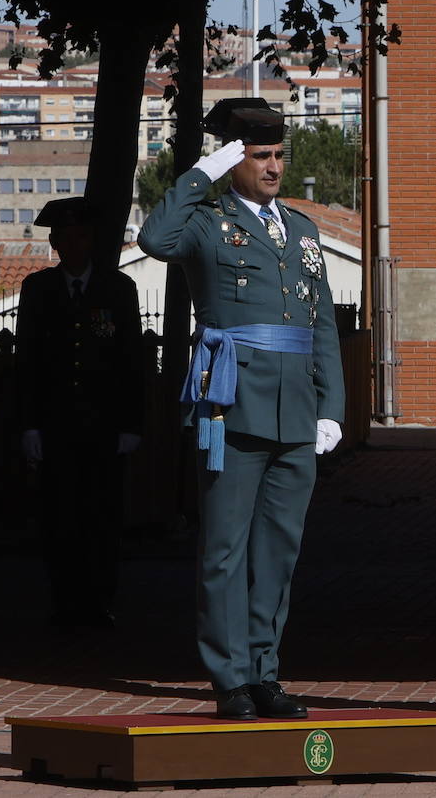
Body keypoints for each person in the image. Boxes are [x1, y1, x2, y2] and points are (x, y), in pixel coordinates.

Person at [139, 98, 344, 721]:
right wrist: (200, 175)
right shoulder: (207, 221)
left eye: (279, 155)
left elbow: (321, 323)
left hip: (295, 409)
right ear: (234, 161)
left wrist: (331, 406)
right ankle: (229, 678)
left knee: (278, 551)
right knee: (225, 551)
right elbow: (154, 238)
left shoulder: (302, 229)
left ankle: (264, 672)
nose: (274, 166)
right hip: (232, 404)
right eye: (259, 156)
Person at [15, 197, 144, 628]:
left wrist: (131, 425)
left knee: (102, 516)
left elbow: (132, 360)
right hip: (55, 426)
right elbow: (27, 361)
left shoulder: (118, 289)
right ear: (54, 243)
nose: (73, 245)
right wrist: (29, 425)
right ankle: (64, 600)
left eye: (81, 237)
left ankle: (99, 601)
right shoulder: (38, 289)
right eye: (65, 238)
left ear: (92, 241)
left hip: (104, 427)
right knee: (58, 516)